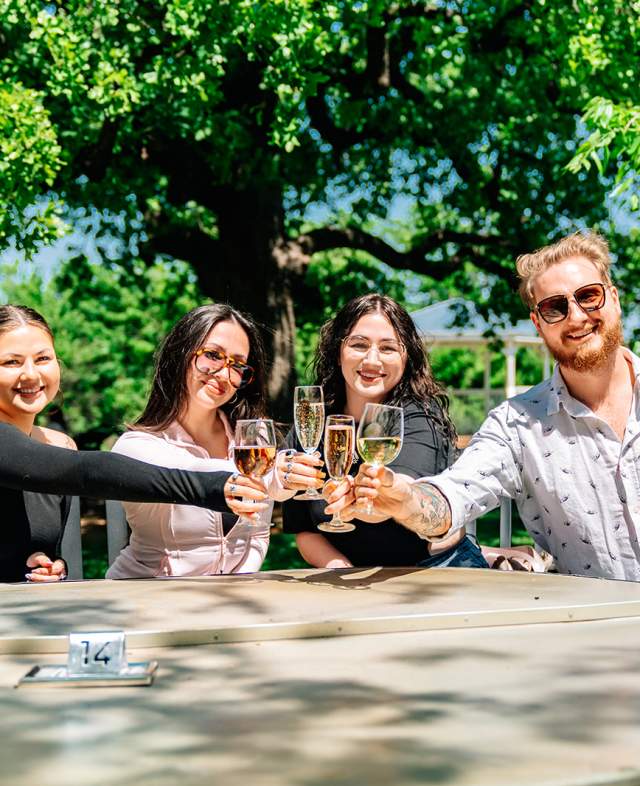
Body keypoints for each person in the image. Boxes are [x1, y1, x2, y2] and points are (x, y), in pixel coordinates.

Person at [350, 231, 640, 581]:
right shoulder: (517, 425)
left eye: (589, 296)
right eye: (554, 307)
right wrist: (404, 500)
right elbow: (454, 495)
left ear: (614, 298)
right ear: (538, 324)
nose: (576, 316)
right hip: (598, 626)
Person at [0, 304, 268, 584]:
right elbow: (88, 472)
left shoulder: (60, 445)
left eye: (42, 358)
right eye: (11, 362)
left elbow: (24, 547)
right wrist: (213, 486)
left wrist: (43, 565)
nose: (31, 374)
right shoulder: (58, 456)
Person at [107, 304, 321, 578]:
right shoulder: (136, 446)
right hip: (144, 603)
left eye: (238, 365)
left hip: (226, 605)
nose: (223, 374)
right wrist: (272, 476)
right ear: (180, 353)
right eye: (212, 355)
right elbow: (189, 473)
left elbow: (257, 536)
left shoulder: (251, 443)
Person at [284, 294, 488, 569]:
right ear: (337, 350)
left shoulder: (419, 417)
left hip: (436, 568)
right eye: (359, 344)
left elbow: (397, 497)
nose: (372, 360)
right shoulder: (314, 421)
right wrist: (340, 571)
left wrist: (373, 497)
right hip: (349, 579)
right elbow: (304, 529)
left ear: (406, 357)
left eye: (388, 348)